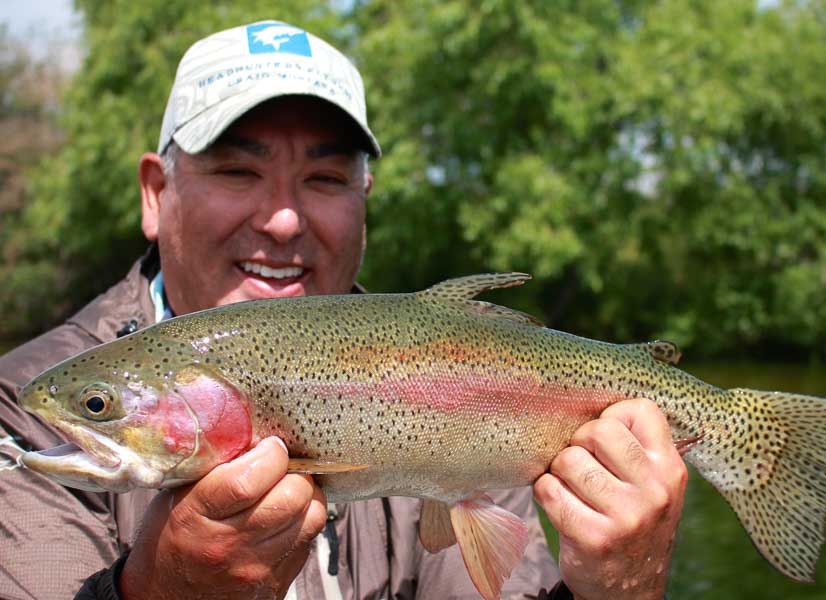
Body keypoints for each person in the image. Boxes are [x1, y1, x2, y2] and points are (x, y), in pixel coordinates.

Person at [0, 20, 687, 600]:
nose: (283, 217)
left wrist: (612, 591)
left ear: (366, 200)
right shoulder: (18, 410)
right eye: (238, 170)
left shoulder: (465, 380)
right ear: (155, 194)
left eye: (325, 178)